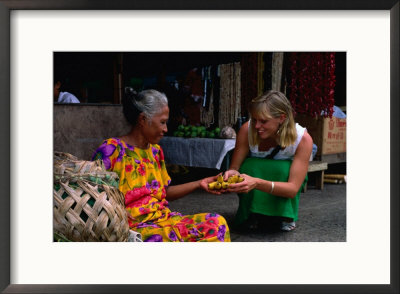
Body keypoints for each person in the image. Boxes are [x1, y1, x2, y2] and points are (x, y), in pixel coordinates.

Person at [92, 88, 230, 242]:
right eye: (162, 122)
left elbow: (164, 192)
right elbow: (92, 193)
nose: (166, 129)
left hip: (162, 220)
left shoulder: (156, 152)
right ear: (143, 120)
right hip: (130, 228)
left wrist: (199, 183)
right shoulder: (111, 149)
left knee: (217, 224)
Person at [222, 90, 313, 232]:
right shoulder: (247, 129)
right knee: (250, 166)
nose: (257, 126)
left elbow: (292, 189)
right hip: (256, 176)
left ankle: (284, 216)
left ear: (282, 118)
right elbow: (235, 167)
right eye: (255, 119)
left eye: (263, 121)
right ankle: (252, 214)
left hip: (283, 182)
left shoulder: (303, 139)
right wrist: (230, 175)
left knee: (282, 168)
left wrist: (257, 182)